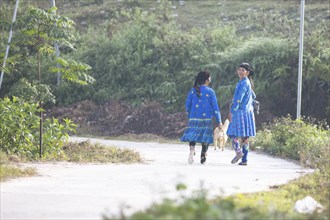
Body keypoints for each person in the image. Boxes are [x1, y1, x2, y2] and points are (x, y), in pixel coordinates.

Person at [180, 71, 222, 164]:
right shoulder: (210, 91)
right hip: (206, 119)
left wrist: (190, 115)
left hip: (194, 118)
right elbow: (215, 107)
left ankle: (192, 149)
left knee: (192, 135)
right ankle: (203, 154)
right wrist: (219, 121)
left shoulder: (192, 90)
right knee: (205, 137)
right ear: (207, 80)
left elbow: (187, 105)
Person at [227, 62, 256, 166]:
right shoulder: (246, 82)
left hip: (240, 112)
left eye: (243, 70)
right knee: (245, 137)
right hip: (248, 112)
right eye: (239, 69)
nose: (240, 71)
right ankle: (244, 160)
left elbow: (238, 99)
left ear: (247, 72)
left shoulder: (243, 83)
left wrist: (232, 112)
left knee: (231, 133)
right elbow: (254, 96)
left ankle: (238, 152)